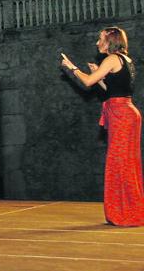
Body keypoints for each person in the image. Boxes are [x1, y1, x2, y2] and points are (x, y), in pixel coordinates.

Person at [61, 27, 144, 226]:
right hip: (126, 111)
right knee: (126, 163)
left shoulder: (112, 59)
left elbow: (88, 82)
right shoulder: (125, 59)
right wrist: (98, 75)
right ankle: (130, 210)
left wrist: (71, 67)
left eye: (100, 39)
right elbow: (111, 90)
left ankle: (127, 213)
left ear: (110, 41)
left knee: (120, 163)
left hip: (121, 114)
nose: (97, 43)